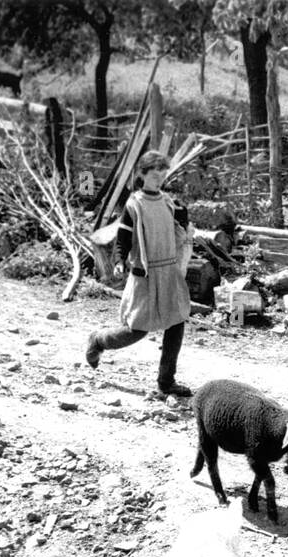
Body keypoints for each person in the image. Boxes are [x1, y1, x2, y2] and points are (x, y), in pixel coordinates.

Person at [85, 151, 194, 399]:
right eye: (155, 175)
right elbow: (123, 237)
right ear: (142, 175)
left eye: (163, 175)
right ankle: (99, 340)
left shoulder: (168, 202)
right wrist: (119, 261)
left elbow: (180, 231)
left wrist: (183, 217)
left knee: (176, 322)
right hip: (144, 274)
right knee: (138, 329)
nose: (159, 180)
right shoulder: (134, 205)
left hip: (168, 271)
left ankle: (166, 381)